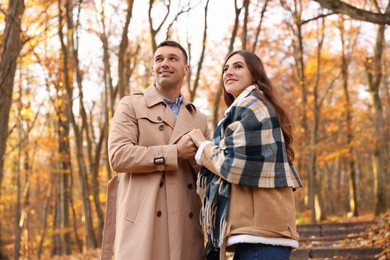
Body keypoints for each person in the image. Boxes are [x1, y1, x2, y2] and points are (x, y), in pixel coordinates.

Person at [100, 40, 210, 260]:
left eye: (172, 58)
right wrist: (174, 152)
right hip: (142, 227)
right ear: (152, 69)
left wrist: (198, 160)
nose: (164, 64)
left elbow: (209, 174)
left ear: (186, 69)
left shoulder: (198, 117)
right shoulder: (130, 105)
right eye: (159, 59)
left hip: (186, 230)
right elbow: (118, 156)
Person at [188, 50, 303, 260]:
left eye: (238, 66)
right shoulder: (247, 108)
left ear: (255, 74)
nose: (228, 72)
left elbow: (231, 165)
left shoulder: (252, 107)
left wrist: (202, 146)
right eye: (225, 68)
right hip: (258, 233)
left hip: (261, 234)